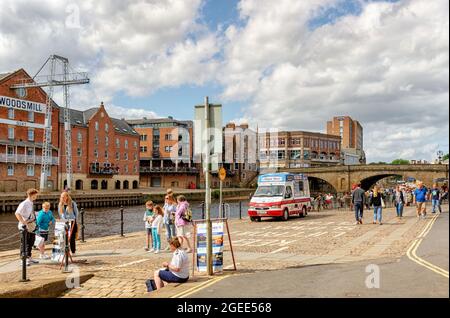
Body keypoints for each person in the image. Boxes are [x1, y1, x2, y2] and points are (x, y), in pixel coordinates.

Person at [15, 188, 39, 266]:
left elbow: (28, 213)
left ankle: (29, 257)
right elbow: (17, 213)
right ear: (30, 195)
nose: (36, 197)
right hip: (25, 227)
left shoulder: (31, 203)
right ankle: (23, 259)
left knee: (31, 242)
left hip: (31, 225)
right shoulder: (24, 203)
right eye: (35, 195)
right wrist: (23, 222)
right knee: (24, 243)